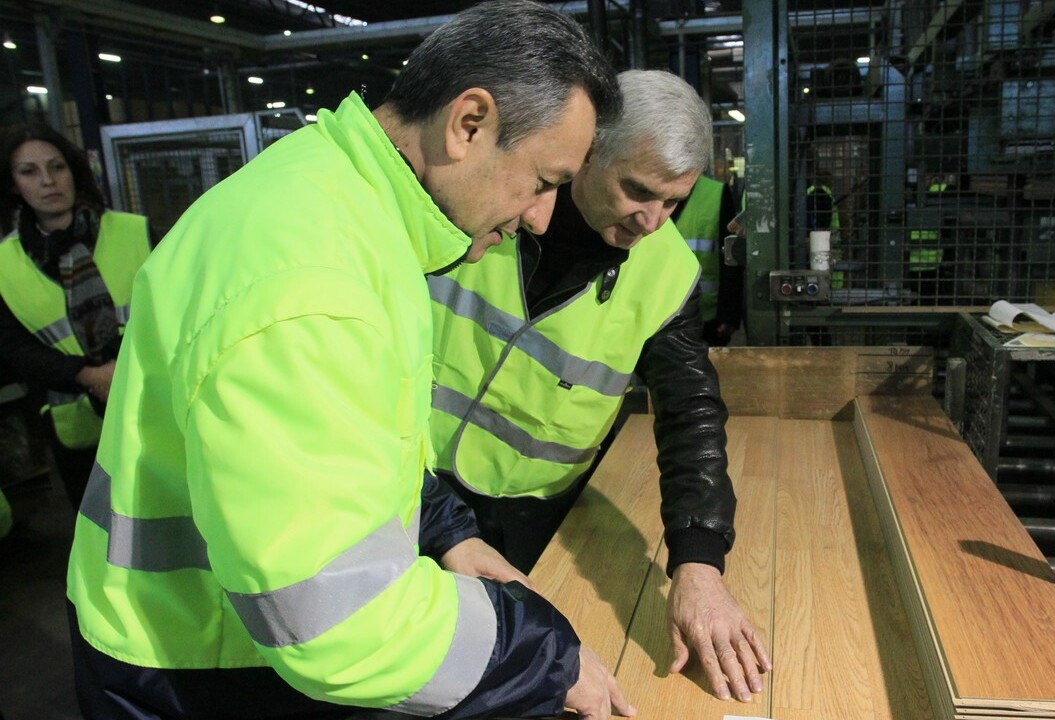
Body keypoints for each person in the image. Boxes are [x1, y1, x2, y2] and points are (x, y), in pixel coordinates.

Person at [65, 2, 632, 719]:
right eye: (545, 181)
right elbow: (338, 623)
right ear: (468, 123)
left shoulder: (336, 201)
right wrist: (544, 657)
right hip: (198, 668)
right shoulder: (314, 284)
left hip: (201, 635)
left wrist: (443, 531)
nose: (541, 218)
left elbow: (343, 443)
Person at [428, 69, 772, 705]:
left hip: (535, 515)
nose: (653, 220)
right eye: (637, 191)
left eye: (673, 202)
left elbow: (690, 409)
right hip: (410, 488)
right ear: (588, 151)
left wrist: (698, 561)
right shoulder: (487, 205)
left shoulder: (667, 271)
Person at [0, 124, 151, 511]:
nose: (48, 181)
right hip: (78, 425)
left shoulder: (135, 231)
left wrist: (123, 367)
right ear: (14, 184)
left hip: (151, 402)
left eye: (57, 167)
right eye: (29, 172)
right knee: (101, 526)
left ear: (73, 170)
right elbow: (13, 348)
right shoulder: (5, 264)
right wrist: (91, 376)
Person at [672, 175, 743, 346]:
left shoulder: (716, 193)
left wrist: (729, 315)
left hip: (706, 319)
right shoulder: (647, 188)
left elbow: (731, 260)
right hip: (653, 313)